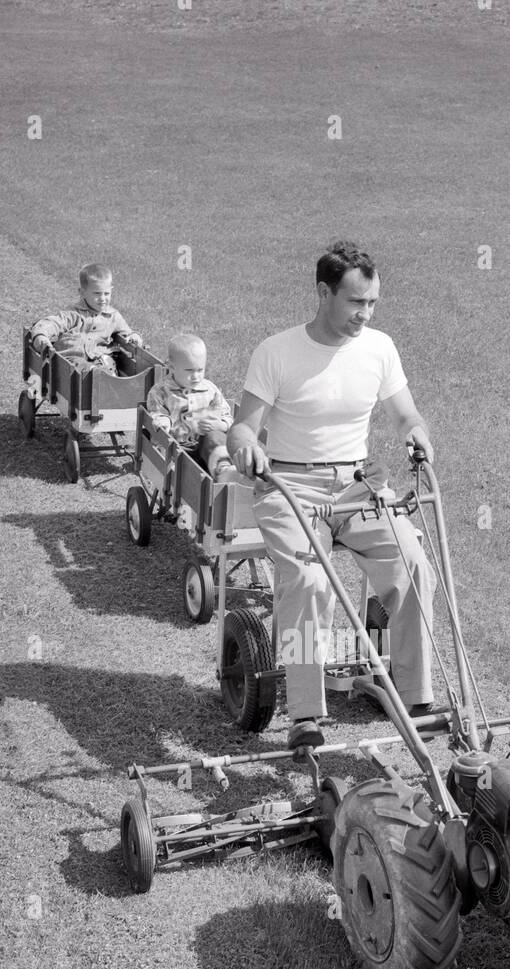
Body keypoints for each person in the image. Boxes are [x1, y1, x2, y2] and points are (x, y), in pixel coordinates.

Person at [227, 240, 436, 749]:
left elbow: (406, 413)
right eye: (355, 302)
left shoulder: (380, 348)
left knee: (414, 563)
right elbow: (241, 430)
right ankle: (305, 715)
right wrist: (248, 449)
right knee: (308, 579)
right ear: (324, 293)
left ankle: (415, 698)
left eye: (373, 303)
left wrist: (416, 431)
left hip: (359, 486)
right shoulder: (276, 352)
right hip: (289, 487)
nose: (365, 314)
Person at [28, 263, 143, 384]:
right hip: (73, 360)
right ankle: (97, 378)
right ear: (82, 292)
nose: (103, 298)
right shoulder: (72, 314)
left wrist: (134, 337)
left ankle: (109, 383)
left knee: (107, 361)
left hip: (99, 359)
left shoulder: (113, 316)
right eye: (97, 293)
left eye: (107, 293)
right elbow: (51, 323)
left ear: (111, 291)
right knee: (80, 365)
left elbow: (127, 332)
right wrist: (41, 336)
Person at [146, 333, 234, 477]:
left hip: (205, 448)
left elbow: (227, 416)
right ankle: (177, 475)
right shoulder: (161, 391)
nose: (196, 376)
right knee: (167, 444)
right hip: (176, 448)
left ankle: (223, 468)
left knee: (216, 437)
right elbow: (156, 412)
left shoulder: (210, 390)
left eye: (200, 370)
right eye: (189, 370)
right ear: (172, 367)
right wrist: (164, 420)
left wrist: (221, 425)